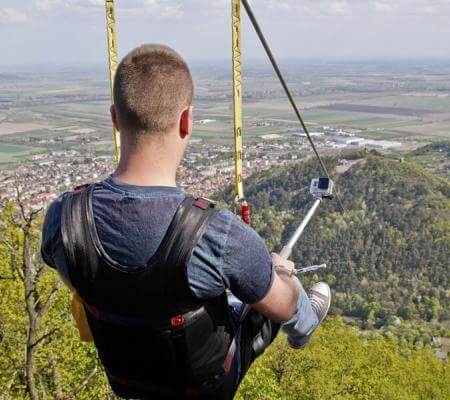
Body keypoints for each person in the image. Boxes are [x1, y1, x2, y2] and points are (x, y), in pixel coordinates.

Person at [41, 44, 331, 400]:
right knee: (275, 286)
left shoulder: (63, 218)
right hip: (205, 384)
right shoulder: (216, 234)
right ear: (186, 120)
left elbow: (82, 274)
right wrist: (277, 271)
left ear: (115, 119)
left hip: (127, 376)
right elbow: (281, 307)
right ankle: (307, 324)